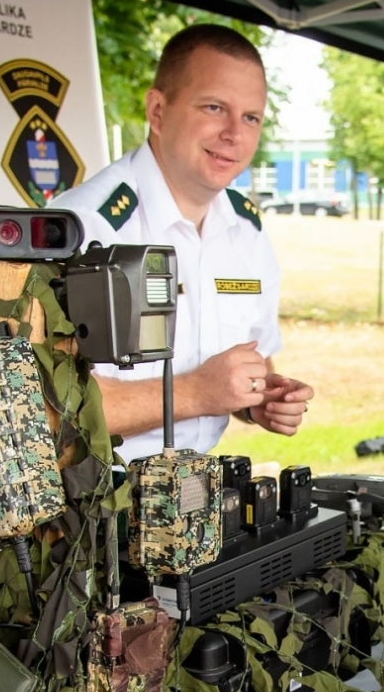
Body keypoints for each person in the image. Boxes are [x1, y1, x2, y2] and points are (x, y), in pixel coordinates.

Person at [55, 24, 313, 460]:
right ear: (157, 111)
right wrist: (197, 392)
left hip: (195, 490)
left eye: (251, 117)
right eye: (215, 108)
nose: (235, 133)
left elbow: (252, 353)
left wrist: (260, 398)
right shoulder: (84, 229)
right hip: (95, 503)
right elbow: (48, 405)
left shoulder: (244, 232)